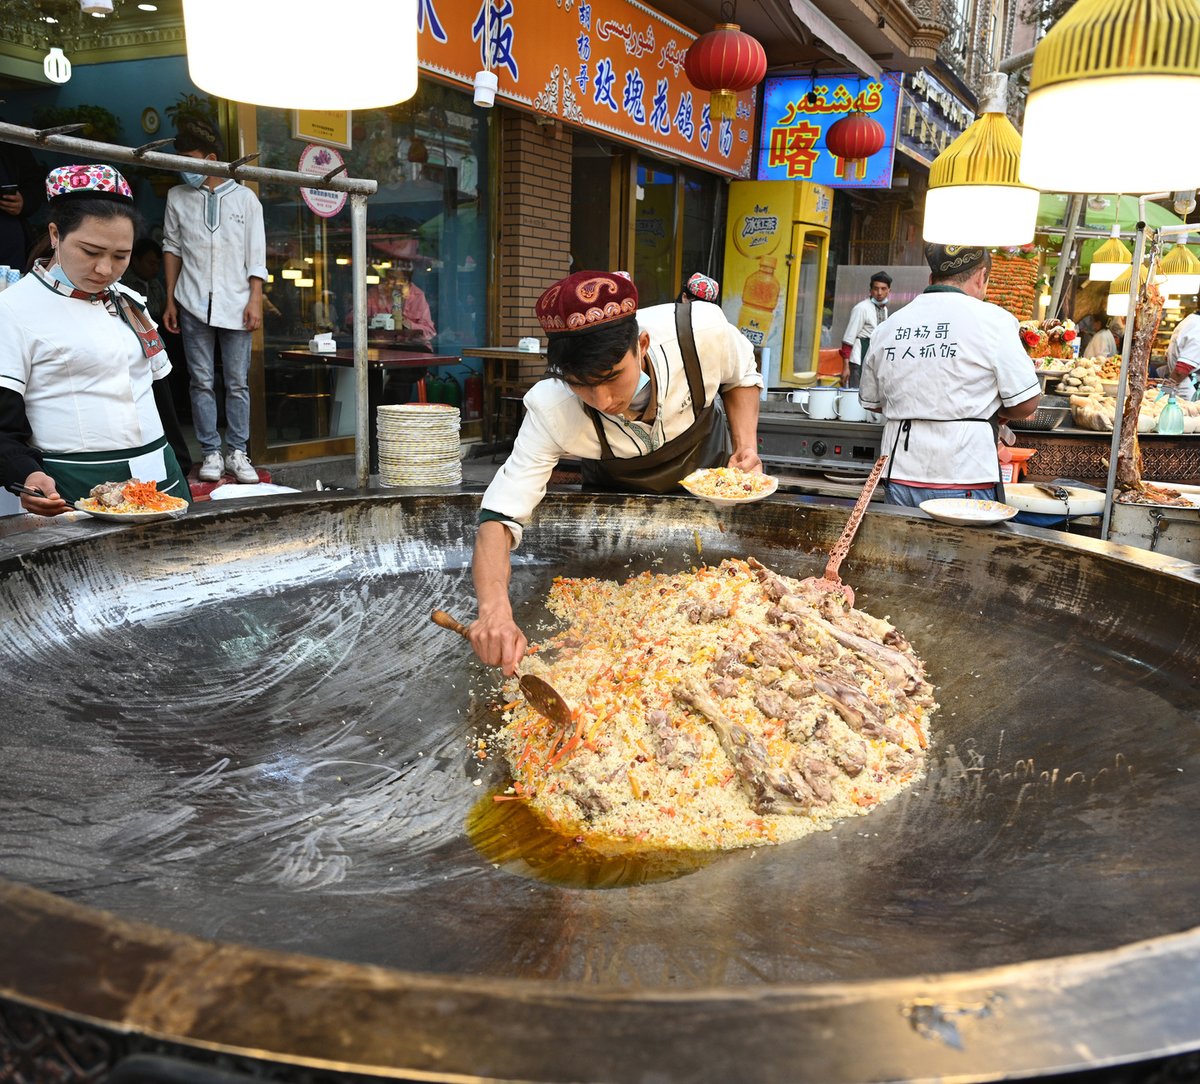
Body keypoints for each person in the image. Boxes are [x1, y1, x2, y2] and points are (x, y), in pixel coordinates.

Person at [468, 269, 763, 673]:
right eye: (581, 384)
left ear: (641, 345)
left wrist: (746, 446)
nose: (603, 400)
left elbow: (740, 373)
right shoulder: (552, 408)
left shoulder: (699, 333)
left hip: (709, 504)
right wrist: (494, 611)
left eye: (611, 377)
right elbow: (499, 514)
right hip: (620, 529)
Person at [0, 164, 190, 515]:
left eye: (121, 256)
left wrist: (181, 462)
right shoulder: (13, 309)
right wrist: (24, 472)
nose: (105, 269)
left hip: (162, 482)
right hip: (74, 488)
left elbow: (159, 392)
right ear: (55, 234)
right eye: (90, 252)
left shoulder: (129, 302)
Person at [859, 244, 1040, 507]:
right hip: (965, 474)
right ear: (981, 276)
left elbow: (873, 402)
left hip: (899, 475)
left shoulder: (888, 326)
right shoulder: (995, 322)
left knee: (901, 536)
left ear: (931, 278)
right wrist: (995, 410)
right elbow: (1026, 403)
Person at [162, 119, 267, 484]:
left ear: (210, 159)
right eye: (180, 160)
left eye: (189, 159)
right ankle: (210, 451)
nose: (184, 167)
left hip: (237, 303)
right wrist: (171, 299)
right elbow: (172, 248)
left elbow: (256, 255)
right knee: (201, 381)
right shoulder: (177, 197)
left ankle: (237, 452)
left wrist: (255, 299)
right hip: (191, 302)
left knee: (237, 383)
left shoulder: (245, 199)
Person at [362, 261, 436, 347]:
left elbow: (430, 332)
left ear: (407, 281)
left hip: (411, 350)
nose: (395, 283)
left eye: (400, 280)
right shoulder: (374, 293)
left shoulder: (417, 296)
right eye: (391, 278)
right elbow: (353, 320)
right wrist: (373, 322)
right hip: (380, 348)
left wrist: (409, 325)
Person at [0, 134, 45, 273]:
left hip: (7, 236)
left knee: (11, 283)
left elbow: (35, 182)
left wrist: (24, 200)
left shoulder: (8, 136)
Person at [840, 271, 891, 388]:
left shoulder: (884, 309)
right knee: (856, 391)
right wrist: (845, 367)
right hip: (859, 357)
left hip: (873, 357)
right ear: (870, 290)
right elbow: (848, 339)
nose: (879, 293)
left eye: (883, 289)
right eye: (876, 289)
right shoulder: (861, 308)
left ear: (889, 290)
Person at [1161, 307, 1199, 402]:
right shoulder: (1197, 326)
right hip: (1185, 388)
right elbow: (1181, 370)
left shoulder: (1191, 319)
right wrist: (1165, 392)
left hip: (1180, 384)